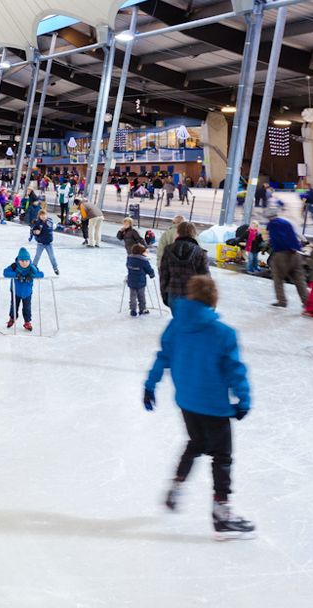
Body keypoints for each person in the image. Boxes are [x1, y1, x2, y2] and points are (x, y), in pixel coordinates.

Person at [142, 275, 255, 540]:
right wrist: (244, 399)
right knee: (222, 456)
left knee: (195, 443)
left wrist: (150, 385)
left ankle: (176, 488)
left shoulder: (175, 326)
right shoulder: (223, 333)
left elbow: (162, 358)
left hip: (187, 403)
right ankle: (222, 514)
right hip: (214, 406)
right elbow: (234, 371)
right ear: (213, 300)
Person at [160, 221, 209, 311]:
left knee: (179, 322)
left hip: (173, 293)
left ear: (178, 232)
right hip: (193, 295)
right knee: (191, 323)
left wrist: (165, 295)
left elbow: (164, 275)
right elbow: (206, 278)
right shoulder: (200, 252)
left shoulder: (168, 250)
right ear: (194, 233)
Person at [264, 214, 306, 308]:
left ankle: (282, 301)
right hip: (296, 253)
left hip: (281, 255)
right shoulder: (287, 222)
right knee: (299, 280)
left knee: (278, 279)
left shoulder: (273, 224)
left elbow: (277, 239)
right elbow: (295, 235)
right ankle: (307, 301)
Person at [2, 248, 41, 330]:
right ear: (19, 260)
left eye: (26, 261)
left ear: (29, 260)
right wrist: (16, 274)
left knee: (27, 307)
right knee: (14, 306)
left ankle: (27, 322)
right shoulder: (14, 266)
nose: (24, 263)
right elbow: (5, 272)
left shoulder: (32, 267)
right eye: (22, 261)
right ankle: (12, 318)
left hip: (27, 292)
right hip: (15, 291)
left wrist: (31, 275)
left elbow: (41, 274)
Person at [126, 243, 155, 317]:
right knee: (141, 296)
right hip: (140, 282)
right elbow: (148, 269)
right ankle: (142, 309)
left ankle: (133, 310)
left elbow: (127, 266)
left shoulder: (129, 258)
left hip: (131, 281)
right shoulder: (144, 260)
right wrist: (152, 274)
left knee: (132, 296)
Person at [29, 208, 59, 276]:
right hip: (40, 243)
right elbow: (32, 231)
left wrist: (57, 225)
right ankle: (33, 267)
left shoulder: (50, 222)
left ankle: (55, 268)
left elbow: (54, 227)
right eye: (41, 215)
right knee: (37, 256)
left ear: (46, 215)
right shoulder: (37, 222)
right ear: (39, 216)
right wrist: (35, 232)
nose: (43, 216)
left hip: (49, 243)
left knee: (52, 257)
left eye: (44, 215)